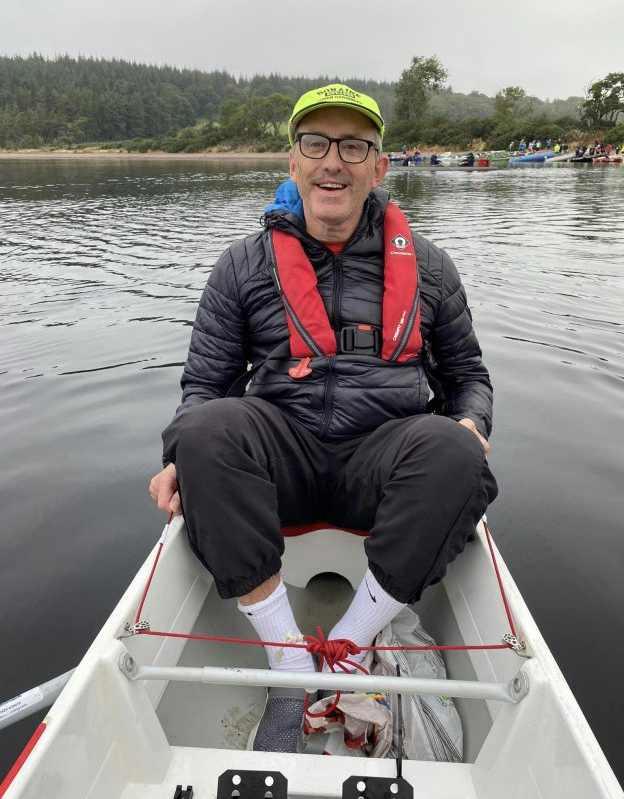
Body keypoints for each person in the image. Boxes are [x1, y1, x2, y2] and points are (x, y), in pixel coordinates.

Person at [149, 83, 498, 754]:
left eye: (353, 146)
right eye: (316, 144)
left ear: (379, 165)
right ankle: (289, 664)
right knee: (202, 433)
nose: (332, 162)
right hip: (282, 459)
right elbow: (204, 386)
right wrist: (176, 458)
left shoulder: (430, 268)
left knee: (456, 451)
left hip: (383, 459)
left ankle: (354, 644)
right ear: (294, 162)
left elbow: (468, 381)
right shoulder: (242, 266)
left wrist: (474, 423)